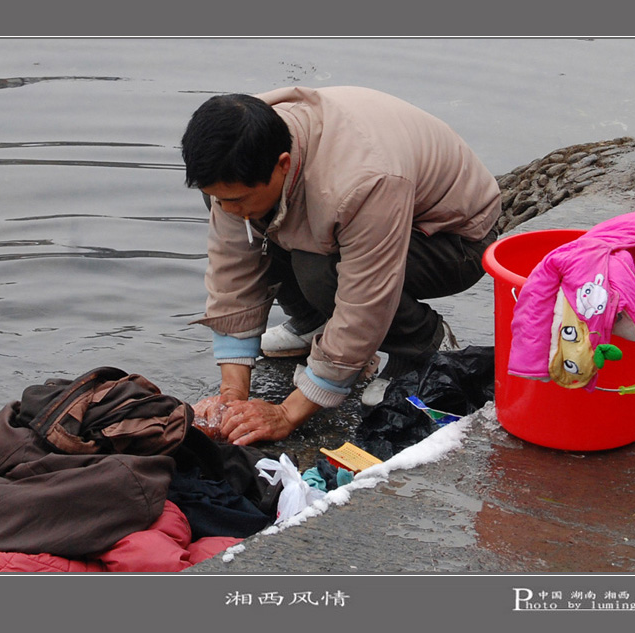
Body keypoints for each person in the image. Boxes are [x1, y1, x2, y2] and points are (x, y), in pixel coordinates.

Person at [181, 85, 501, 447]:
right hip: (362, 218)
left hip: (456, 239)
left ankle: (418, 342)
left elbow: (366, 297)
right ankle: (315, 323)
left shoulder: (363, 180)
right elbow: (233, 266)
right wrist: (231, 396)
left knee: (319, 269)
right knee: (254, 221)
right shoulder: (241, 147)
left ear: (283, 164)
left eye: (235, 198)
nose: (226, 210)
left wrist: (288, 412)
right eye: (217, 197)